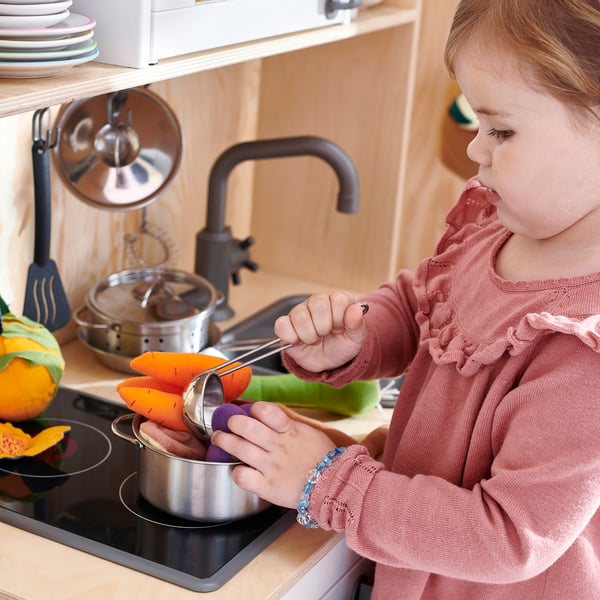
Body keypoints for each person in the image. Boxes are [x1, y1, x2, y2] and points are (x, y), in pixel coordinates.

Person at [211, 1, 600, 597]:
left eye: (500, 131)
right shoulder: (495, 228)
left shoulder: (583, 350)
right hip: (406, 566)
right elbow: (425, 302)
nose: (474, 150)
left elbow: (508, 537)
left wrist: (326, 483)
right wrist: (362, 334)